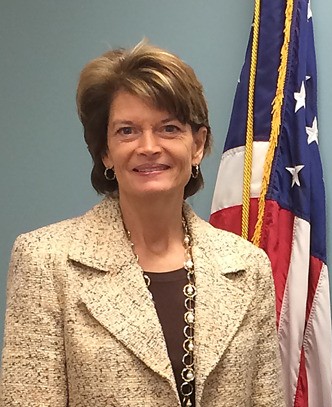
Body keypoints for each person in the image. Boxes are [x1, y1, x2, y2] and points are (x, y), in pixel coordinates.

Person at [0, 40, 282, 406]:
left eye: (168, 128)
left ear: (197, 145)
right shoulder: (46, 261)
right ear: (105, 151)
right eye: (127, 131)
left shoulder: (247, 267)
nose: (148, 146)